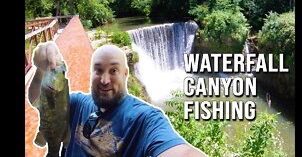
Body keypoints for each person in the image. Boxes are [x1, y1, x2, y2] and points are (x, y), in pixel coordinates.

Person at [28, 41, 206, 157]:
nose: (105, 80)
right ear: (92, 74)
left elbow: (180, 152)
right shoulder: (78, 103)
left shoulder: (146, 119)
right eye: (98, 70)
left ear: (126, 74)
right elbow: (38, 99)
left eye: (113, 71)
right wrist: (40, 71)